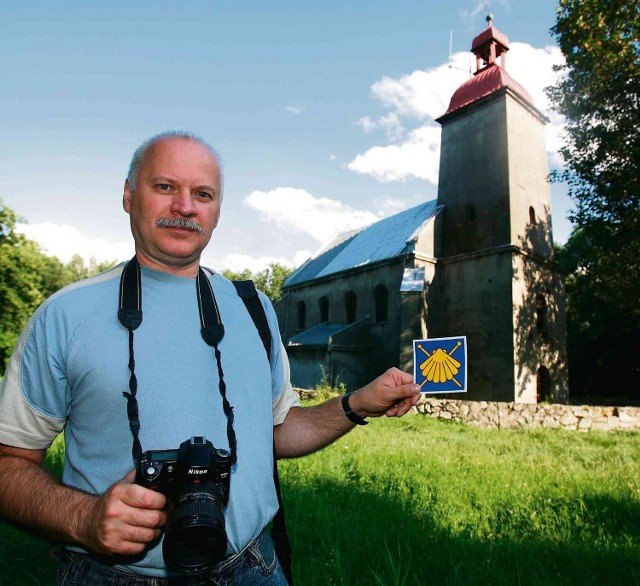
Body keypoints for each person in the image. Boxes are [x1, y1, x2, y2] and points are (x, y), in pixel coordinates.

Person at [0, 131, 421, 585]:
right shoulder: (66, 315)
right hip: (112, 575)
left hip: (254, 565)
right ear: (128, 195)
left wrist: (357, 403)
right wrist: (82, 518)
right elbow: (8, 464)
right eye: (165, 187)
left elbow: (278, 432)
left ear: (217, 211)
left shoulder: (253, 307)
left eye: (203, 194)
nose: (185, 207)